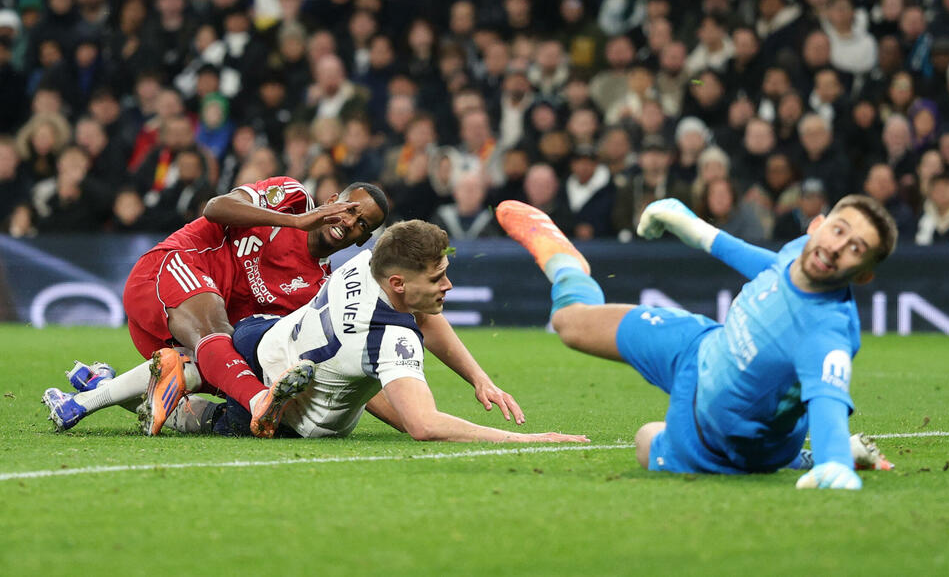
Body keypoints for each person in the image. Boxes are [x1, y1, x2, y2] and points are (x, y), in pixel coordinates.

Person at [494, 195, 897, 489]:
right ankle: (566, 261)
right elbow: (771, 265)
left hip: (718, 437)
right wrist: (694, 228)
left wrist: (832, 466)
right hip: (702, 347)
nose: (836, 247)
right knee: (570, 324)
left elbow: (828, 399)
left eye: (855, 249)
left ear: (862, 275)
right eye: (838, 231)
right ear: (819, 225)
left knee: (645, 439)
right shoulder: (802, 250)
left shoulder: (826, 334)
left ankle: (802, 458)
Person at [43, 179, 389, 433]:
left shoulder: (315, 289)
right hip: (172, 270)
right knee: (220, 335)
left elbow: (334, 357)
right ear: (331, 201)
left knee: (221, 364)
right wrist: (297, 222)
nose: (349, 223)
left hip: (185, 340)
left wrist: (415, 418)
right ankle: (259, 403)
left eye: (362, 225)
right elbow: (215, 208)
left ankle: (97, 389)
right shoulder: (293, 198)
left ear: (362, 240)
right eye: (350, 210)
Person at [220, 220, 588, 443]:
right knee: (204, 418)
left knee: (220, 358)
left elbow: (425, 316)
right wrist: (524, 438)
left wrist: (479, 378)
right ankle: (188, 406)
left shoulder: (368, 262)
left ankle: (194, 367)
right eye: (436, 277)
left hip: (261, 336)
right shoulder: (390, 339)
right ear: (398, 283)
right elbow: (423, 425)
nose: (448, 285)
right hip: (288, 417)